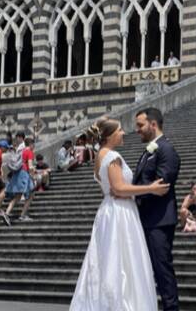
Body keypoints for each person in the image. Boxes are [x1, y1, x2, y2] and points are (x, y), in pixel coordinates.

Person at [70, 118, 170, 311]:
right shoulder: (112, 156)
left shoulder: (101, 155)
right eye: (120, 130)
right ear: (110, 136)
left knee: (107, 260)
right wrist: (150, 188)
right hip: (120, 211)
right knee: (123, 262)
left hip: (109, 210)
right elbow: (119, 188)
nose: (124, 133)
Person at [134, 107, 181, 311]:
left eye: (140, 125)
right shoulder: (149, 150)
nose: (137, 130)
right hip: (145, 218)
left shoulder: (166, 149)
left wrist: (131, 193)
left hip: (159, 220)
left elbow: (161, 185)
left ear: (153, 125)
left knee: (162, 269)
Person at [2, 137, 36, 225]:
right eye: (33, 145)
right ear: (31, 144)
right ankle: (23, 215)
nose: (34, 146)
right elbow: (30, 166)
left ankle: (7, 213)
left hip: (18, 173)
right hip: (25, 174)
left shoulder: (22, 151)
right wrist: (34, 175)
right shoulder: (29, 152)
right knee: (31, 195)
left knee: (18, 196)